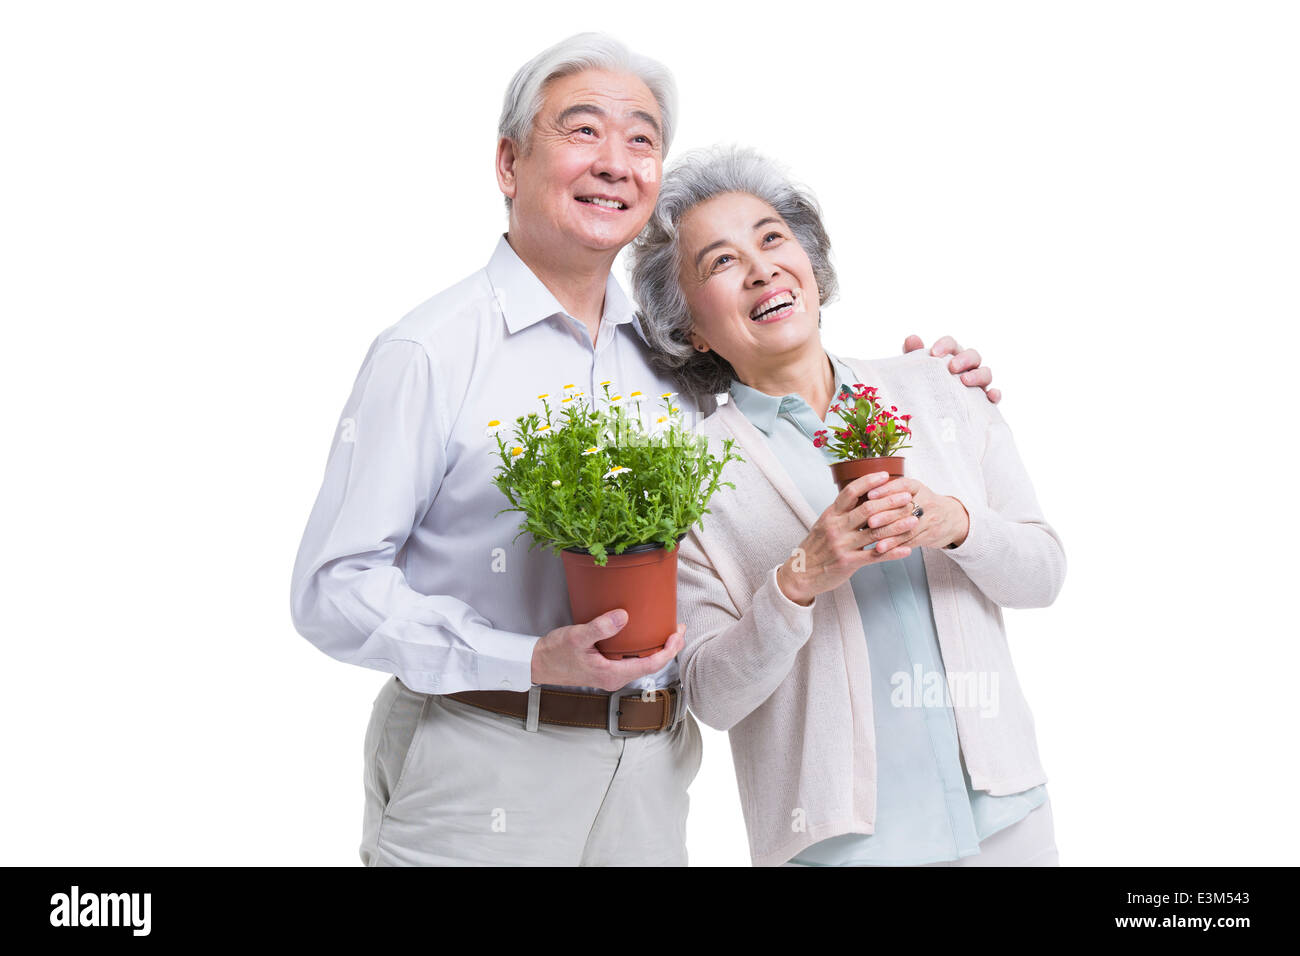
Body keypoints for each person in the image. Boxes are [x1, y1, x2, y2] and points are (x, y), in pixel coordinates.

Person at [290, 34, 999, 867]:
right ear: (509, 162)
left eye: (643, 139)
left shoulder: (678, 362)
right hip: (484, 759)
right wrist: (527, 659)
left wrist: (930, 378)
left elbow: (792, 387)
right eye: (583, 130)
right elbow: (332, 590)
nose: (617, 162)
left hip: (653, 776)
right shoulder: (431, 351)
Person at [629, 144, 1065, 867]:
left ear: (811, 268)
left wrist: (956, 524)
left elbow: (1044, 574)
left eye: (772, 238)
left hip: (1008, 818)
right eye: (721, 262)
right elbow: (711, 694)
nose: (763, 267)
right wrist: (798, 577)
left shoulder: (939, 387)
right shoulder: (688, 477)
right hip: (841, 846)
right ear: (692, 329)